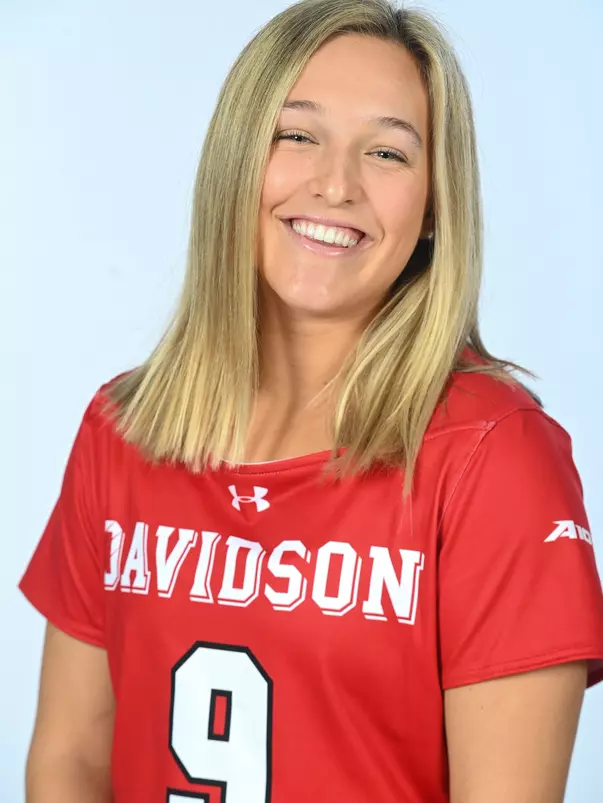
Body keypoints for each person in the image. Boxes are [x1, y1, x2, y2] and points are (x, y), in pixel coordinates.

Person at [19, 0, 603, 801]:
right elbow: (69, 764)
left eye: (388, 153)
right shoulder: (124, 428)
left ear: (432, 206)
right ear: (237, 160)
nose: (335, 184)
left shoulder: (492, 453)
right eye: (297, 135)